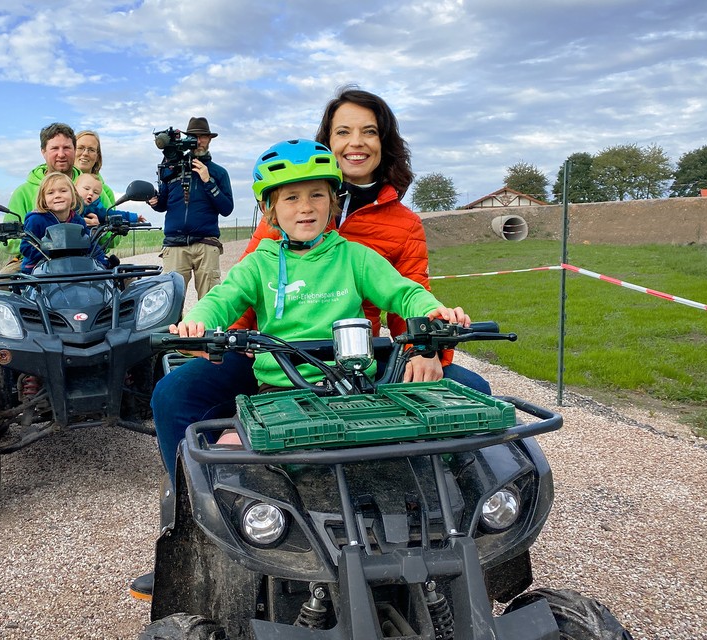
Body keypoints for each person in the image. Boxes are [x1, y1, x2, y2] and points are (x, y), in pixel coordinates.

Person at [129, 139, 471, 601]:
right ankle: (199, 536)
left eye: (316, 195)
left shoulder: (354, 257)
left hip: (355, 388)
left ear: (334, 201)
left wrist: (434, 315)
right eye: (290, 198)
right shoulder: (260, 264)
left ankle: (461, 531)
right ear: (271, 209)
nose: (305, 207)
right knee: (228, 463)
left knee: (443, 441)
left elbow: (404, 293)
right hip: (280, 394)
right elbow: (220, 300)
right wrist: (199, 323)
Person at [150, 116, 234, 300]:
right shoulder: (171, 169)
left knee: (210, 302)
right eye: (194, 136)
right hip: (174, 245)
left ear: (210, 139)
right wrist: (153, 200)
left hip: (206, 244)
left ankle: (209, 330)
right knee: (169, 303)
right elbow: (162, 204)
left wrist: (207, 181)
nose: (199, 141)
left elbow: (227, 208)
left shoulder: (219, 172)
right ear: (187, 139)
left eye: (203, 136)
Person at [2, 123, 80, 273]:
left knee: (126, 283)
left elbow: (109, 235)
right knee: (1, 287)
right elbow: (8, 242)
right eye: (54, 148)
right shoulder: (23, 192)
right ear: (43, 151)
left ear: (75, 150)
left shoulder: (92, 187)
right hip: (33, 261)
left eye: (67, 148)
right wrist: (49, 246)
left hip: (81, 259)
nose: (61, 154)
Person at [19, 172, 107, 273]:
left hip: (72, 269)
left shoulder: (78, 221)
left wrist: (102, 262)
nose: (57, 196)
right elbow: (26, 247)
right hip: (39, 272)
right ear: (43, 198)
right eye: (50, 193)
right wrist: (55, 252)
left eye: (63, 191)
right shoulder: (35, 220)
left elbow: (91, 245)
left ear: (73, 194)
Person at [75, 173, 146, 226]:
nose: (91, 193)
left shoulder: (96, 210)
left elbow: (113, 214)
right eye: (86, 189)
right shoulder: (70, 205)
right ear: (75, 188)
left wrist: (133, 217)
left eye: (95, 192)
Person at [74, 130, 116, 209]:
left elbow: (110, 216)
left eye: (91, 150)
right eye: (80, 148)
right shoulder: (59, 183)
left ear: (97, 156)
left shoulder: (107, 192)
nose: (85, 153)